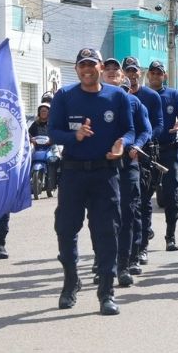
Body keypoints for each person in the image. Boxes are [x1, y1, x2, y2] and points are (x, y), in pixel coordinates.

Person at [49, 47, 134, 316]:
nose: (87, 69)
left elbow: (129, 129)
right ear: (76, 69)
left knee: (107, 231)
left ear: (100, 67)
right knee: (66, 229)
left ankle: (106, 293)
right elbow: (53, 132)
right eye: (82, 65)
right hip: (73, 172)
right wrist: (74, 137)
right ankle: (71, 281)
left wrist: (123, 144)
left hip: (105, 173)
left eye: (91, 64)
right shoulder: (64, 96)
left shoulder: (117, 95)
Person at [101, 57, 151, 287]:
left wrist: (136, 146)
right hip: (103, 165)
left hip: (128, 163)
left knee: (128, 213)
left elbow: (144, 130)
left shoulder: (134, 103)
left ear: (124, 78)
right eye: (107, 69)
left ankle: (124, 264)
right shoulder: (93, 101)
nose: (112, 72)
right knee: (103, 217)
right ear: (102, 74)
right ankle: (103, 264)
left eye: (116, 70)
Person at [124, 56, 163, 269]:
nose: (131, 74)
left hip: (145, 153)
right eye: (127, 71)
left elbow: (156, 125)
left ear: (140, 73)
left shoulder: (150, 96)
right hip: (124, 154)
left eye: (134, 70)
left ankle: (142, 247)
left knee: (144, 200)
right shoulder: (118, 95)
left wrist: (143, 142)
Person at [147, 60, 178, 252]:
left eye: (159, 73)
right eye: (152, 73)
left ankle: (170, 236)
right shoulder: (142, 95)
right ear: (148, 75)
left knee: (171, 194)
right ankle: (145, 230)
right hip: (147, 150)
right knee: (144, 193)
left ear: (165, 76)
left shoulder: (173, 94)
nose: (155, 76)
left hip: (169, 149)